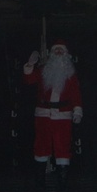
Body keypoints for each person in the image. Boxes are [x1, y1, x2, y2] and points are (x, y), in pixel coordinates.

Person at [23, 41, 82, 174]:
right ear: (52, 53)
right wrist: (30, 65)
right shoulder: (43, 70)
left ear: (66, 54)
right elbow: (29, 80)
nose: (59, 53)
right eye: (56, 50)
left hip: (63, 115)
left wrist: (77, 111)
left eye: (61, 50)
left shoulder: (71, 74)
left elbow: (76, 94)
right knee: (41, 145)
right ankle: (39, 179)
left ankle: (63, 180)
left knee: (63, 145)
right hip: (43, 115)